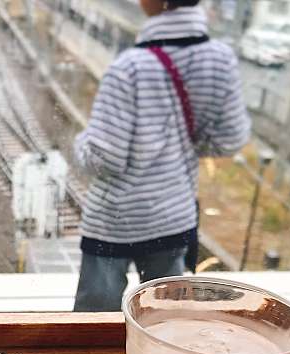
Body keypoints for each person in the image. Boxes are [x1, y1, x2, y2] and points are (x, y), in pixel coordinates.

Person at [73, 0, 250, 311]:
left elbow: (103, 158)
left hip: (114, 221)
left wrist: (80, 143)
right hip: (172, 218)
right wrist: (176, 150)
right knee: (163, 319)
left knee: (93, 324)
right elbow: (229, 140)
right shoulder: (221, 60)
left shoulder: (129, 68)